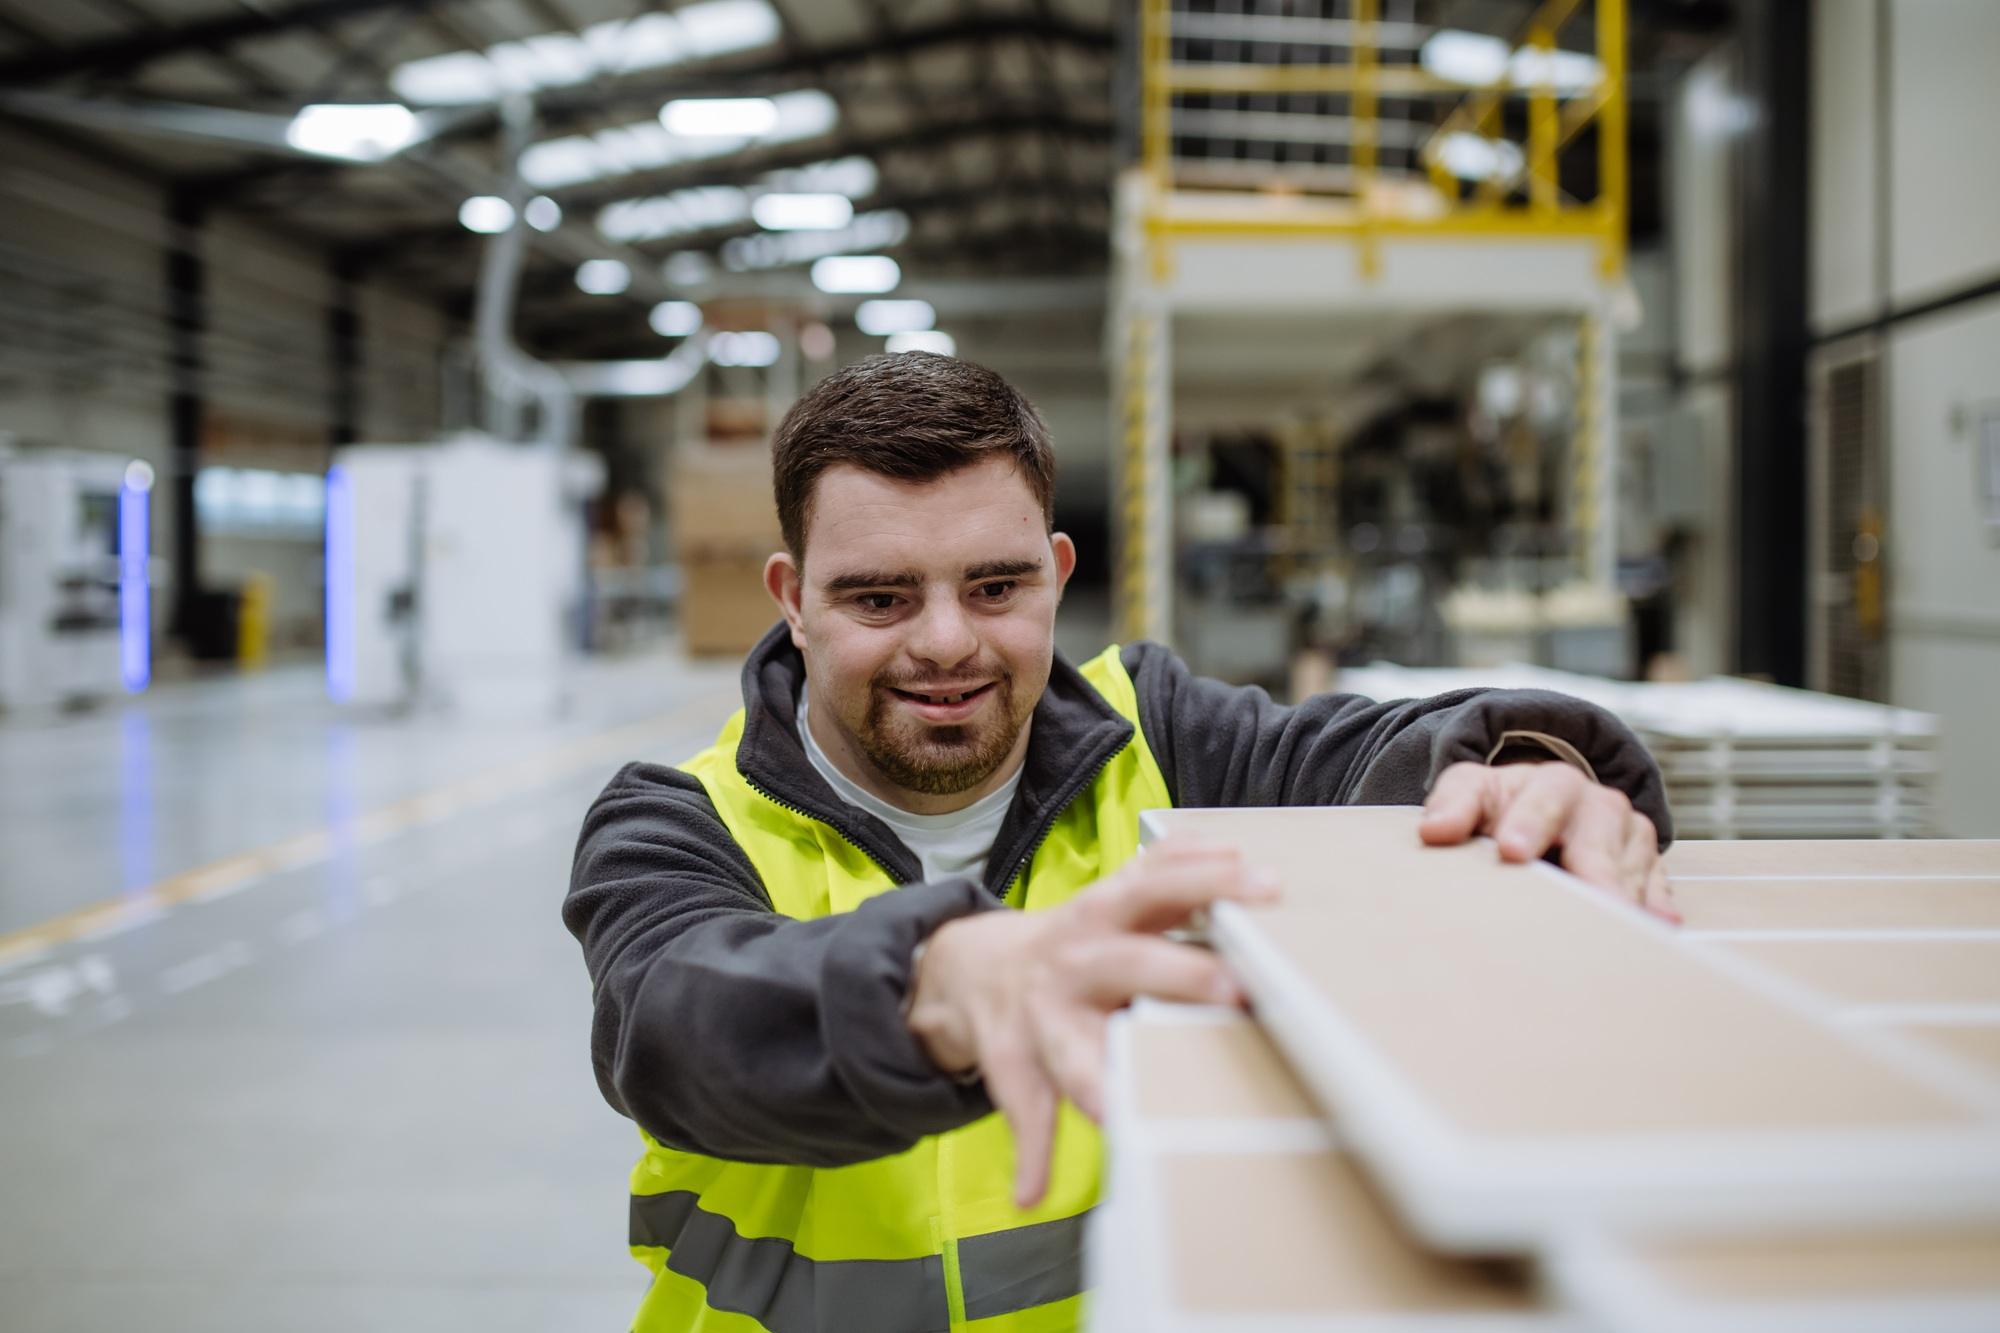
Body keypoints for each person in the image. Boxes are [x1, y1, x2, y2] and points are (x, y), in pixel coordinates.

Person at [566, 353, 1673, 1333]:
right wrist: (935, 979)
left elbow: (1374, 750)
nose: (944, 642)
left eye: (994, 586)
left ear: (1055, 573)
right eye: (879, 598)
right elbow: (676, 1025)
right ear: (792, 599)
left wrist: (1531, 770)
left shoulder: (1160, 739)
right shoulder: (673, 822)